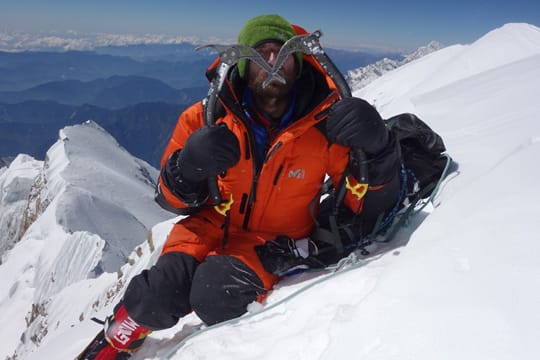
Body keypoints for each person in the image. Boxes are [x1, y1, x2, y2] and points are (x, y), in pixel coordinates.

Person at [78, 14, 401, 359]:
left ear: (301, 63)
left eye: (284, 53)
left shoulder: (324, 127)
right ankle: (117, 339)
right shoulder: (205, 118)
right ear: (244, 64)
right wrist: (187, 167)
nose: (273, 63)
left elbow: (363, 201)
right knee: (156, 294)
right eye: (262, 53)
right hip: (203, 228)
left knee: (215, 293)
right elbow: (169, 199)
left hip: (274, 243)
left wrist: (379, 147)